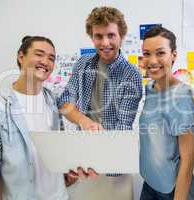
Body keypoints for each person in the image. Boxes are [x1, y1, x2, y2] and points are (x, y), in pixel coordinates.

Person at [0, 36, 94, 200]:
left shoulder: (54, 102)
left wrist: (67, 176)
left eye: (51, 58)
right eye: (39, 54)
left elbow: (55, 155)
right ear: (21, 56)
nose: (45, 62)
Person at [58, 6, 143, 200]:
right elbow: (64, 102)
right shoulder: (83, 64)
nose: (105, 43)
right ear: (92, 37)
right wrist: (84, 121)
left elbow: (123, 126)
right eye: (99, 36)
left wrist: (97, 160)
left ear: (121, 36)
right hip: (85, 161)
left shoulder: (132, 74)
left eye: (111, 35)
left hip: (114, 166)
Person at [139, 26, 194, 200]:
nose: (152, 60)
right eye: (147, 53)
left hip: (173, 190)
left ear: (173, 55)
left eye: (160, 53)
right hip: (150, 183)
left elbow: (187, 160)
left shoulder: (181, 96)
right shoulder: (150, 88)